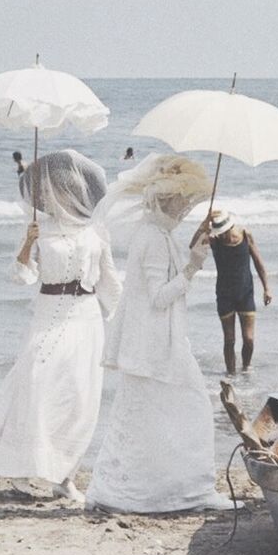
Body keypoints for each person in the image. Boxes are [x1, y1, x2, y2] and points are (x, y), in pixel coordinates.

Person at [86, 154, 242, 513]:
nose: (185, 209)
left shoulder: (156, 233)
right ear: (166, 201)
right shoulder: (154, 238)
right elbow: (159, 297)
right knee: (192, 408)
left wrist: (192, 251)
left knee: (151, 416)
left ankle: (157, 488)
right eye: (181, 203)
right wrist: (193, 267)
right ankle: (188, 490)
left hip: (157, 341)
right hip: (156, 342)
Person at [0, 150, 123, 502]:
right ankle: (21, 467)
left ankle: (65, 477)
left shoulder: (96, 231)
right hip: (48, 312)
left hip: (86, 317)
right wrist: (27, 243)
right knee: (35, 384)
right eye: (55, 190)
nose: (61, 195)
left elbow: (110, 280)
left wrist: (124, 321)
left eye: (67, 190)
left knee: (81, 397)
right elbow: (21, 276)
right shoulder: (39, 228)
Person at [208, 209, 272, 375]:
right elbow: (192, 245)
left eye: (223, 232)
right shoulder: (213, 241)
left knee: (249, 339)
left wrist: (267, 288)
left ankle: (245, 370)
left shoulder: (245, 235)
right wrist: (204, 223)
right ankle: (231, 375)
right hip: (224, 294)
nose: (221, 236)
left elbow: (259, 263)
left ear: (230, 227)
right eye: (218, 232)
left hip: (245, 292)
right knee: (229, 340)